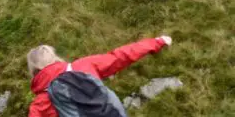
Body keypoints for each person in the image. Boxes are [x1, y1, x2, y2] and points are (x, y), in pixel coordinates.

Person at [27, 36, 173, 117]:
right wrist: (157, 42)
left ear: (34, 72)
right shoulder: (82, 65)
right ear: (55, 58)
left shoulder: (40, 104)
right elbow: (120, 56)